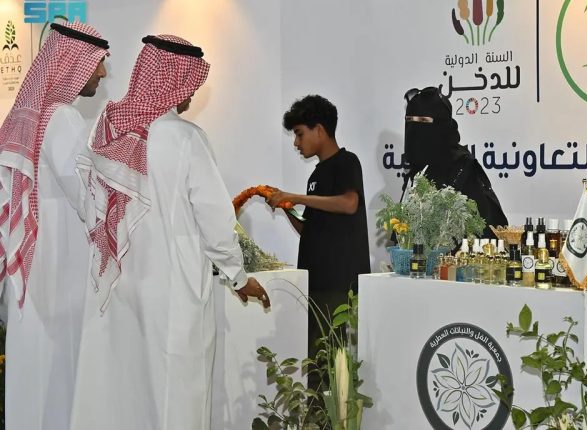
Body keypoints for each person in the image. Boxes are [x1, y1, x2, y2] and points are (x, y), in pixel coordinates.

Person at [70, 35, 270, 430]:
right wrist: (238, 276)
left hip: (120, 287)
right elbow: (216, 223)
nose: (191, 93)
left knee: (124, 391)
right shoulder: (185, 139)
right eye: (189, 83)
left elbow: (89, 205)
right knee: (175, 392)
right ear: (173, 80)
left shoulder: (108, 130)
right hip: (172, 291)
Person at [0, 22, 109, 430]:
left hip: (37, 260)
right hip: (57, 265)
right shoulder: (62, 117)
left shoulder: (32, 115)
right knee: (59, 373)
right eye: (97, 63)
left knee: (36, 370)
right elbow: (87, 196)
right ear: (73, 64)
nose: (101, 73)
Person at [268, 95, 370, 369]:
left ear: (320, 130)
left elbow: (349, 204)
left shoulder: (347, 162)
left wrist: (296, 197)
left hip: (340, 284)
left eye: (300, 134)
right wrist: (287, 207)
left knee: (335, 364)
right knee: (317, 360)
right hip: (316, 282)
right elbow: (308, 228)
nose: (296, 143)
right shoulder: (315, 176)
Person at [403, 86, 509, 236]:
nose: (414, 128)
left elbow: (486, 228)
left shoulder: (463, 168)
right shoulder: (415, 169)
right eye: (409, 120)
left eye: (423, 120)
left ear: (441, 124)